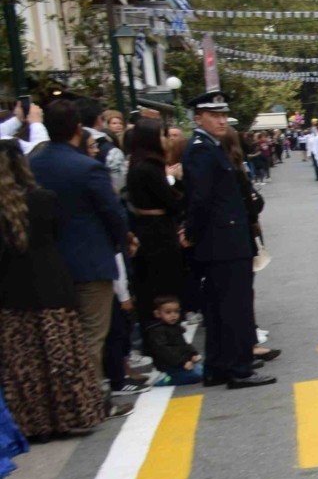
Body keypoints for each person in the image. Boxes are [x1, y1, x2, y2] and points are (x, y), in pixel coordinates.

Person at [0, 144, 107, 436]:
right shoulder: (44, 199)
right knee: (61, 357)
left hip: (13, 292)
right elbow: (57, 234)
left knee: (24, 362)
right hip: (52, 284)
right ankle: (72, 416)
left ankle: (34, 423)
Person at [25, 97, 126, 382]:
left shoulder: (33, 163)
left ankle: (67, 399)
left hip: (48, 263)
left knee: (62, 337)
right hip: (91, 260)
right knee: (93, 334)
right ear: (78, 129)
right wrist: (122, 242)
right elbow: (112, 212)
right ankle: (92, 399)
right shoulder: (87, 167)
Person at [180, 92, 273, 388]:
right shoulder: (200, 150)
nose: (222, 120)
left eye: (223, 115)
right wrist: (192, 234)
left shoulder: (209, 146)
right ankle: (238, 368)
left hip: (224, 239)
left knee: (221, 307)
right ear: (198, 118)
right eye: (214, 115)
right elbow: (200, 199)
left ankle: (219, 365)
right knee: (234, 307)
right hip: (222, 242)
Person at [125, 115, 188, 322]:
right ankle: (163, 333)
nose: (165, 139)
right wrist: (177, 182)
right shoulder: (149, 167)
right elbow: (172, 202)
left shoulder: (138, 164)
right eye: (162, 135)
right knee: (163, 284)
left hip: (148, 229)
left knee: (152, 284)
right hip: (158, 233)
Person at [143, 295, 204, 385]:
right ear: (157, 314)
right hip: (169, 366)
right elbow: (165, 351)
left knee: (203, 370)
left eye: (176, 311)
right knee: (197, 375)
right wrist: (183, 362)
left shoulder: (174, 326)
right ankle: (164, 380)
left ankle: (174, 375)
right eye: (168, 312)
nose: (173, 315)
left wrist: (193, 354)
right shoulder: (157, 331)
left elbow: (183, 344)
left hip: (180, 363)